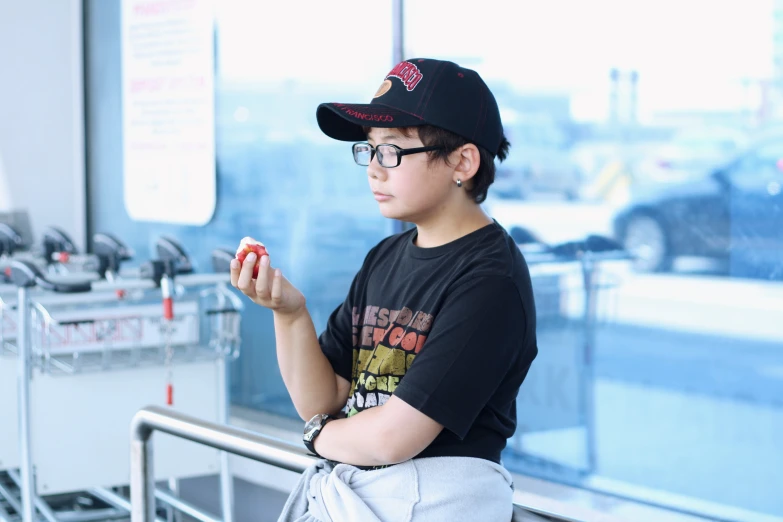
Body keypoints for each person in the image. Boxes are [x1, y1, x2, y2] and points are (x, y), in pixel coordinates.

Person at [230, 58, 538, 522]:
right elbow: (325, 397)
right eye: (368, 150)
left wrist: (317, 435)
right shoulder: (386, 257)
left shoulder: (491, 280)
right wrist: (289, 313)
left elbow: (391, 438)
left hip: (434, 503)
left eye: (391, 152)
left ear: (463, 161)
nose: (374, 170)